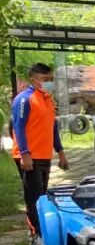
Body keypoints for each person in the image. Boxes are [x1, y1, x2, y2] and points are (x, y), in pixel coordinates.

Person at [11, 63, 68, 235]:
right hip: (29, 156)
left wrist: (61, 153)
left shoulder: (48, 99)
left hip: (44, 155)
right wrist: (24, 154)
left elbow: (52, 127)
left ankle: (43, 230)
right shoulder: (24, 99)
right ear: (33, 79)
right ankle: (36, 233)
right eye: (45, 79)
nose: (49, 82)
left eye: (51, 79)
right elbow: (18, 128)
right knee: (34, 197)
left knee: (42, 197)